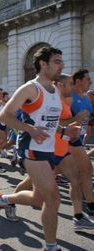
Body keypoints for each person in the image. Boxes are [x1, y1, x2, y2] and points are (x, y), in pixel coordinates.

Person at [0, 46, 80, 251]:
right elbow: (5, 115)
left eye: (61, 61)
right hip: (30, 148)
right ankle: (51, 247)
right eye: (57, 61)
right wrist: (29, 129)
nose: (62, 65)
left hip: (48, 150)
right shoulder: (31, 88)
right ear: (43, 64)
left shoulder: (55, 91)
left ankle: (1, 199)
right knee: (54, 197)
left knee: (37, 198)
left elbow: (48, 122)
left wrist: (64, 132)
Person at [3, 74, 94, 231]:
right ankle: (8, 201)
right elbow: (52, 122)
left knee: (77, 178)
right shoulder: (51, 100)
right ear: (60, 85)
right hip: (44, 150)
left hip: (62, 148)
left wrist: (72, 126)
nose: (73, 87)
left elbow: (59, 124)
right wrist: (74, 120)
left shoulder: (67, 101)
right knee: (31, 186)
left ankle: (78, 217)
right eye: (70, 84)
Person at [65, 68, 94, 216]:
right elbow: (60, 121)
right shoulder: (69, 99)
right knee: (86, 171)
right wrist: (75, 120)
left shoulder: (87, 100)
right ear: (78, 81)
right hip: (67, 142)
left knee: (84, 173)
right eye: (88, 79)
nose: (90, 81)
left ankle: (89, 207)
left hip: (78, 141)